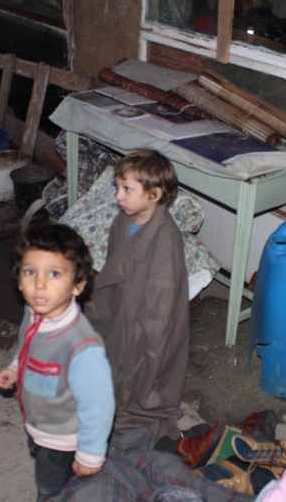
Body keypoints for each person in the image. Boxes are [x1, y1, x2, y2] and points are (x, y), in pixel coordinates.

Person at [0, 223, 115, 499]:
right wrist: (16, 367)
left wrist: (90, 454)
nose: (39, 284)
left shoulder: (82, 348)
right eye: (30, 272)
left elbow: (99, 405)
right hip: (39, 425)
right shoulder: (34, 312)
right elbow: (28, 345)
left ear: (77, 286)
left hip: (63, 441)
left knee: (52, 489)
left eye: (54, 274)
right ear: (18, 279)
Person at [85, 148, 189, 442]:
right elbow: (113, 266)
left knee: (139, 369)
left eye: (127, 189)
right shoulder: (123, 221)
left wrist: (151, 337)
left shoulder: (165, 238)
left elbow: (163, 296)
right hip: (122, 306)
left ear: (154, 195)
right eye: (118, 187)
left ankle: (136, 410)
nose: (118, 196)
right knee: (110, 354)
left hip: (147, 318)